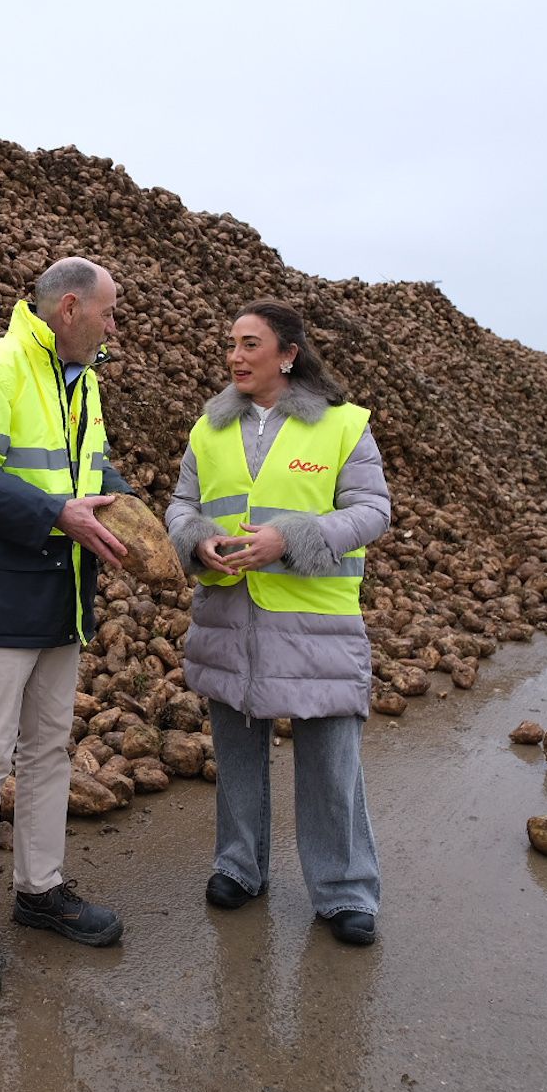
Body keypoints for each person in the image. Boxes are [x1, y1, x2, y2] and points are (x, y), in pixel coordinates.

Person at [0, 256, 132, 995]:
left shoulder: (87, 382)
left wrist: (128, 509)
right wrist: (57, 515)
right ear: (70, 307)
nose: (114, 328)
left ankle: (40, 891)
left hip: (62, 591)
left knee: (49, 748)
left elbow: (93, 473)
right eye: (108, 313)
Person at [163, 299, 392, 945]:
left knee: (330, 762)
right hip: (230, 620)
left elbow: (372, 510)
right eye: (232, 344)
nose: (235, 355)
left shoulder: (344, 426)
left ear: (287, 354)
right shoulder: (207, 430)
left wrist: (290, 538)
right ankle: (239, 866)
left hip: (313, 623)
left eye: (249, 344)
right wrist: (197, 539)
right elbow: (182, 504)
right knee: (237, 754)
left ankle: (346, 892)